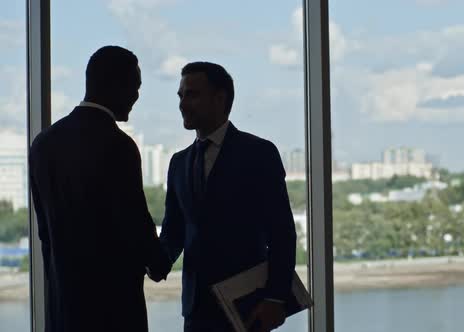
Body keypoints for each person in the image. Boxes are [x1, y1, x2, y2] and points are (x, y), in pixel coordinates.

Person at [29, 45, 169, 332]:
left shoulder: (43, 144)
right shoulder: (118, 145)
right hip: (113, 307)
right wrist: (158, 262)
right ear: (116, 85)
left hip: (64, 306)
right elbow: (134, 220)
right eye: (135, 86)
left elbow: (45, 230)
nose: (136, 96)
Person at [157, 62, 297, 332]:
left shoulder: (259, 153)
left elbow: (281, 233)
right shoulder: (178, 162)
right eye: (180, 95)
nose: (183, 104)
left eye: (192, 94)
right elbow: (174, 232)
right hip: (196, 311)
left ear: (220, 98)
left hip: (248, 308)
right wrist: (154, 263)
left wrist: (275, 298)